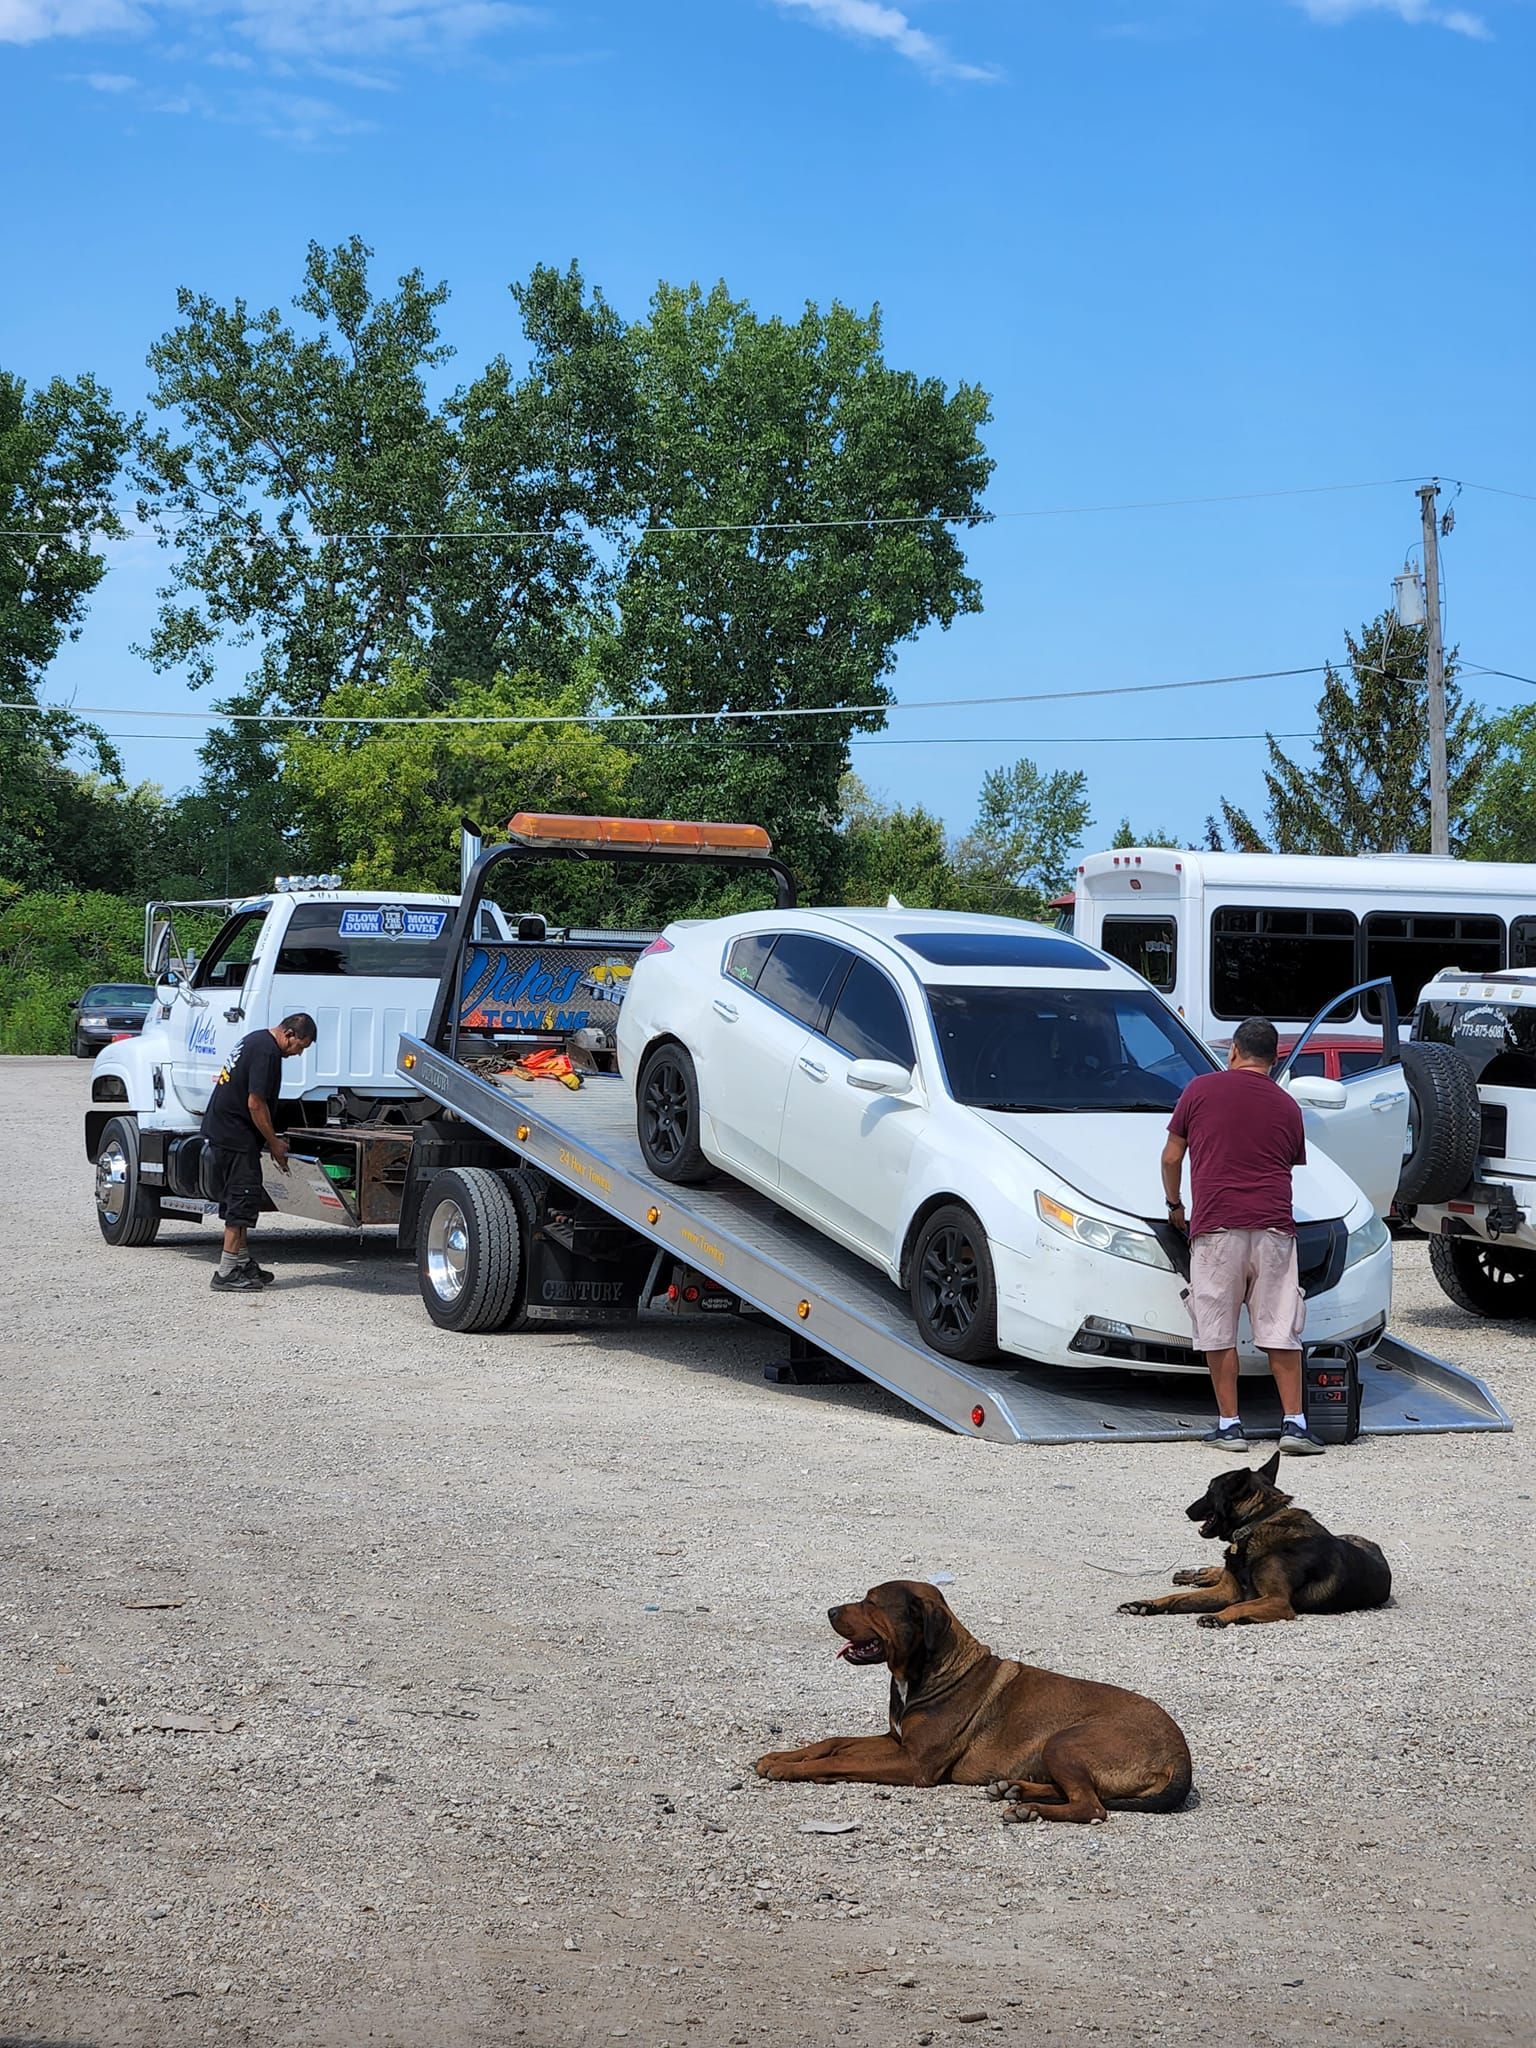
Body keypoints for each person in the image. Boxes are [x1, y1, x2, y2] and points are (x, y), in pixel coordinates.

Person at [1161, 1015, 1324, 1456]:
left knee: (1218, 1329)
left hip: (1216, 1227)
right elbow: (1284, 1165)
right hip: (1274, 1229)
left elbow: (1172, 1156)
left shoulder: (1199, 1090)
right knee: (1279, 1327)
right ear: (1275, 1058)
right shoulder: (1288, 1105)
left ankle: (1230, 1427)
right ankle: (1294, 1424)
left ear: (1232, 1051)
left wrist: (1176, 1207)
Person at [200, 1013, 317, 1293]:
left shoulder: (254, 1040)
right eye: (300, 1045)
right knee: (242, 1199)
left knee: (240, 1197)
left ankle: (241, 1261)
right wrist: (274, 1142)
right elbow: (255, 1103)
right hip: (235, 1134)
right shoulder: (267, 1052)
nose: (299, 1053)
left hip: (224, 1130)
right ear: (288, 1034)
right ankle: (226, 1272)